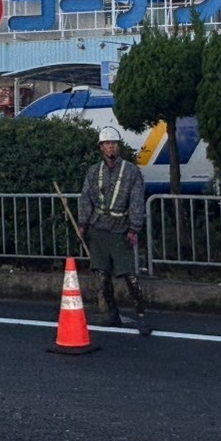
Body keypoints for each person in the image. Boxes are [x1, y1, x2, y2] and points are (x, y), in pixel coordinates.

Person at [78, 125, 149, 332]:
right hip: (98, 229)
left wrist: (134, 227)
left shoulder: (131, 171)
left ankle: (141, 316)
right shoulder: (94, 171)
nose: (111, 147)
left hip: (121, 230)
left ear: (119, 147)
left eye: (114, 144)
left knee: (130, 276)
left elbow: (136, 201)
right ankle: (111, 314)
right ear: (101, 147)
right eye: (107, 144)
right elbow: (85, 198)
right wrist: (83, 223)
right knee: (102, 276)